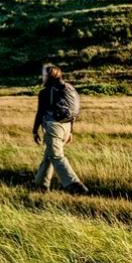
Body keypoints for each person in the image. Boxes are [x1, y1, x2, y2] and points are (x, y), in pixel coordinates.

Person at [32, 63, 89, 194]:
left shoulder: (45, 92)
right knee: (49, 155)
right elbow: (73, 112)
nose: (42, 77)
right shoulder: (69, 88)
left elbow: (40, 113)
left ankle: (74, 184)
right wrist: (71, 132)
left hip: (54, 127)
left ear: (48, 76)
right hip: (67, 126)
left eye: (44, 75)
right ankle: (40, 185)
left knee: (56, 156)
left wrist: (35, 131)